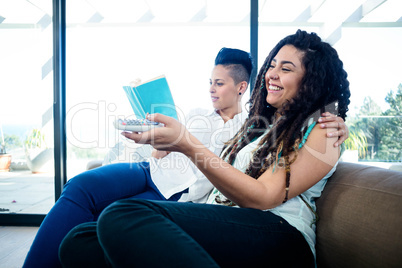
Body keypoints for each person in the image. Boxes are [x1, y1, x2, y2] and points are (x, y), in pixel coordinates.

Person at [59, 29, 351, 268]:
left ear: (312, 81)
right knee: (80, 239)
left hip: (280, 235)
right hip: (231, 222)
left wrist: (188, 145)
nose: (271, 74)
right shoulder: (260, 126)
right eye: (272, 65)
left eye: (285, 68)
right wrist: (168, 143)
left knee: (122, 214)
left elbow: (263, 196)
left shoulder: (323, 129)